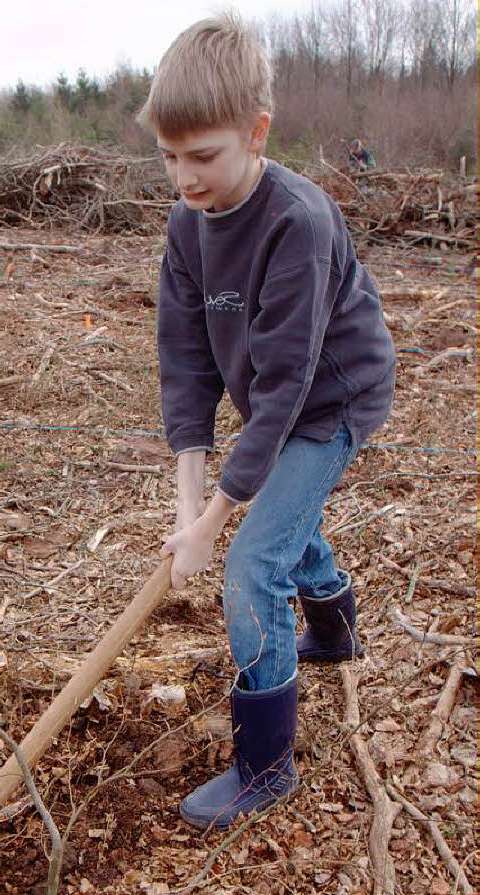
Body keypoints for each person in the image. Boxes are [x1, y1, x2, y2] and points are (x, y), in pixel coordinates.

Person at [136, 12, 395, 831]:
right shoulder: (187, 226)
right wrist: (185, 510)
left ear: (256, 131)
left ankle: (264, 765)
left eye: (203, 156)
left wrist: (216, 524)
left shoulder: (298, 219)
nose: (184, 177)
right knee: (282, 519)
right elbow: (186, 367)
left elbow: (284, 391)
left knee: (252, 562)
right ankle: (336, 627)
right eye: (169, 156)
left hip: (333, 398)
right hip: (277, 399)